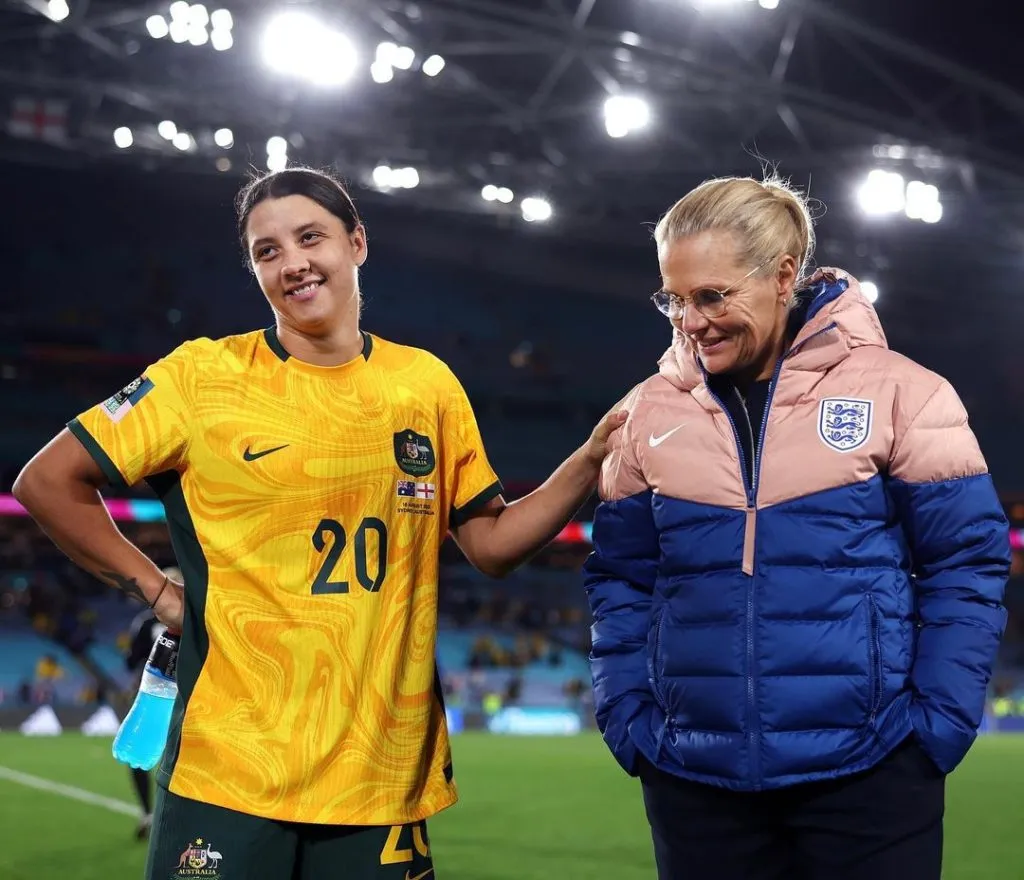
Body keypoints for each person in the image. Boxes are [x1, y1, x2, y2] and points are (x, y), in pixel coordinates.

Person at [13, 165, 625, 880]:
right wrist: (155, 590)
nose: (292, 263)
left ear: (357, 242)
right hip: (230, 768)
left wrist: (586, 461)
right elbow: (46, 480)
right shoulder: (200, 377)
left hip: (379, 773)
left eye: (311, 238)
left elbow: (490, 545)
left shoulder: (424, 385)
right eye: (267, 251)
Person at [583, 174, 1010, 880]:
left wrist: (935, 726)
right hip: (696, 786)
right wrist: (630, 719)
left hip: (872, 776)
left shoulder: (905, 393)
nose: (691, 321)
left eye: (713, 296)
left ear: (784, 277)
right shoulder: (647, 414)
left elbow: (967, 562)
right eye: (674, 299)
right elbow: (619, 577)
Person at [124, 566, 175, 841]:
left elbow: (130, 661)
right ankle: (169, 814)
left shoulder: (145, 622)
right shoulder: (199, 618)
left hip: (154, 695)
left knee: (139, 753)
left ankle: (148, 812)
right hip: (189, 697)